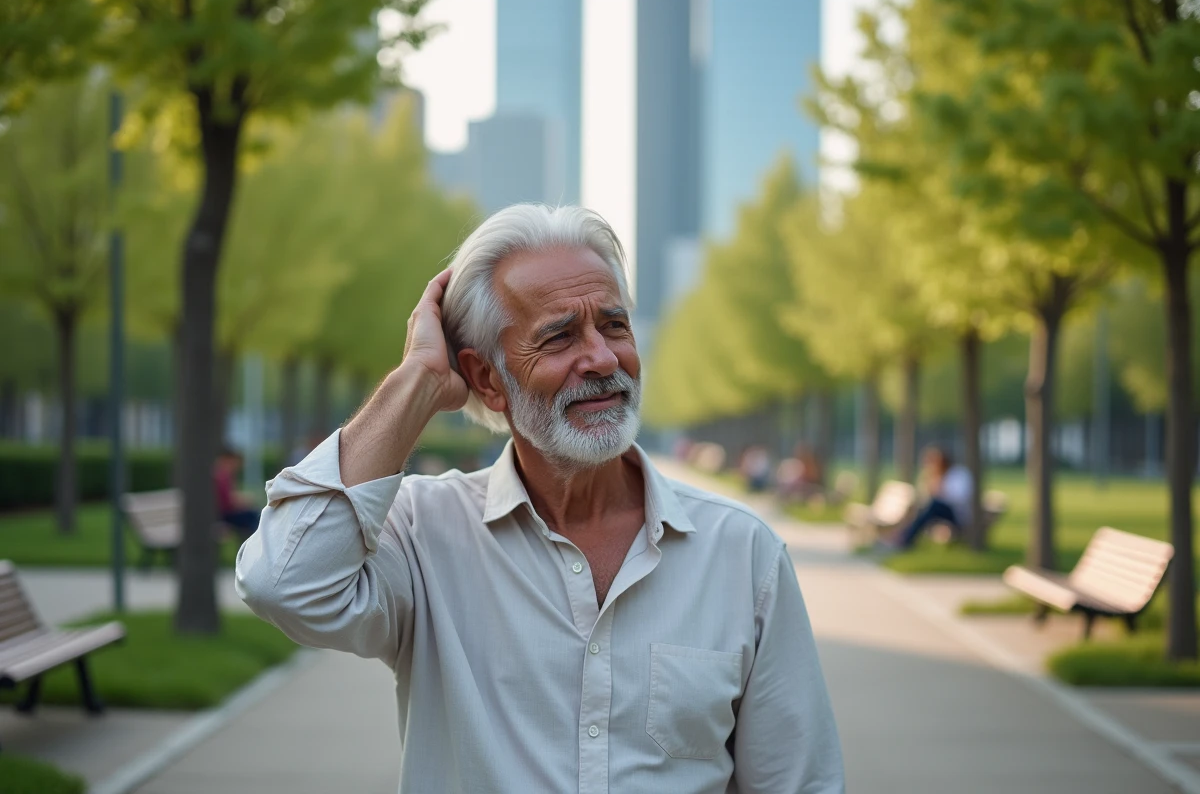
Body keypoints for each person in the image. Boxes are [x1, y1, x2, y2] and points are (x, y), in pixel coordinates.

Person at [235, 204, 844, 793]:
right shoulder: (422, 534)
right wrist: (416, 379)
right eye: (559, 338)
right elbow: (284, 582)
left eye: (614, 324)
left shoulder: (742, 551)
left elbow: (799, 782)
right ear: (485, 379)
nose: (603, 359)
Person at [885, 446, 973, 550]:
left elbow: (959, 498)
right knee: (918, 507)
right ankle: (902, 535)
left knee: (932, 506)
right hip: (940, 511)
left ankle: (906, 539)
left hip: (957, 514)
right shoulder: (939, 475)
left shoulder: (959, 474)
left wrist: (940, 490)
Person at [213, 447, 259, 539]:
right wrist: (244, 501)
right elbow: (228, 502)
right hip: (224, 516)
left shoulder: (221, 474)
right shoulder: (222, 476)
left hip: (222, 514)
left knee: (253, 515)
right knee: (256, 517)